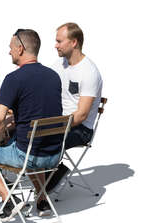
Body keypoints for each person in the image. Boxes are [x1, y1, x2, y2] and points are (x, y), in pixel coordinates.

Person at [0, 29, 63, 221]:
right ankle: (42, 200)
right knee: (33, 142)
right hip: (54, 156)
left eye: (11, 48)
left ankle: (9, 199)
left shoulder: (14, 79)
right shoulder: (54, 76)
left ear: (20, 49)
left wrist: (0, 139)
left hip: (29, 157)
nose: (9, 52)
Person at [46, 22, 103, 192]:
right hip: (60, 121)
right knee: (24, 130)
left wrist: (54, 125)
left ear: (74, 42)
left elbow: (82, 115)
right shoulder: (60, 64)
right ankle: (42, 175)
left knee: (40, 138)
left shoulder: (89, 72)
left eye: (59, 41)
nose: (55, 45)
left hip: (80, 129)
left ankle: (49, 177)